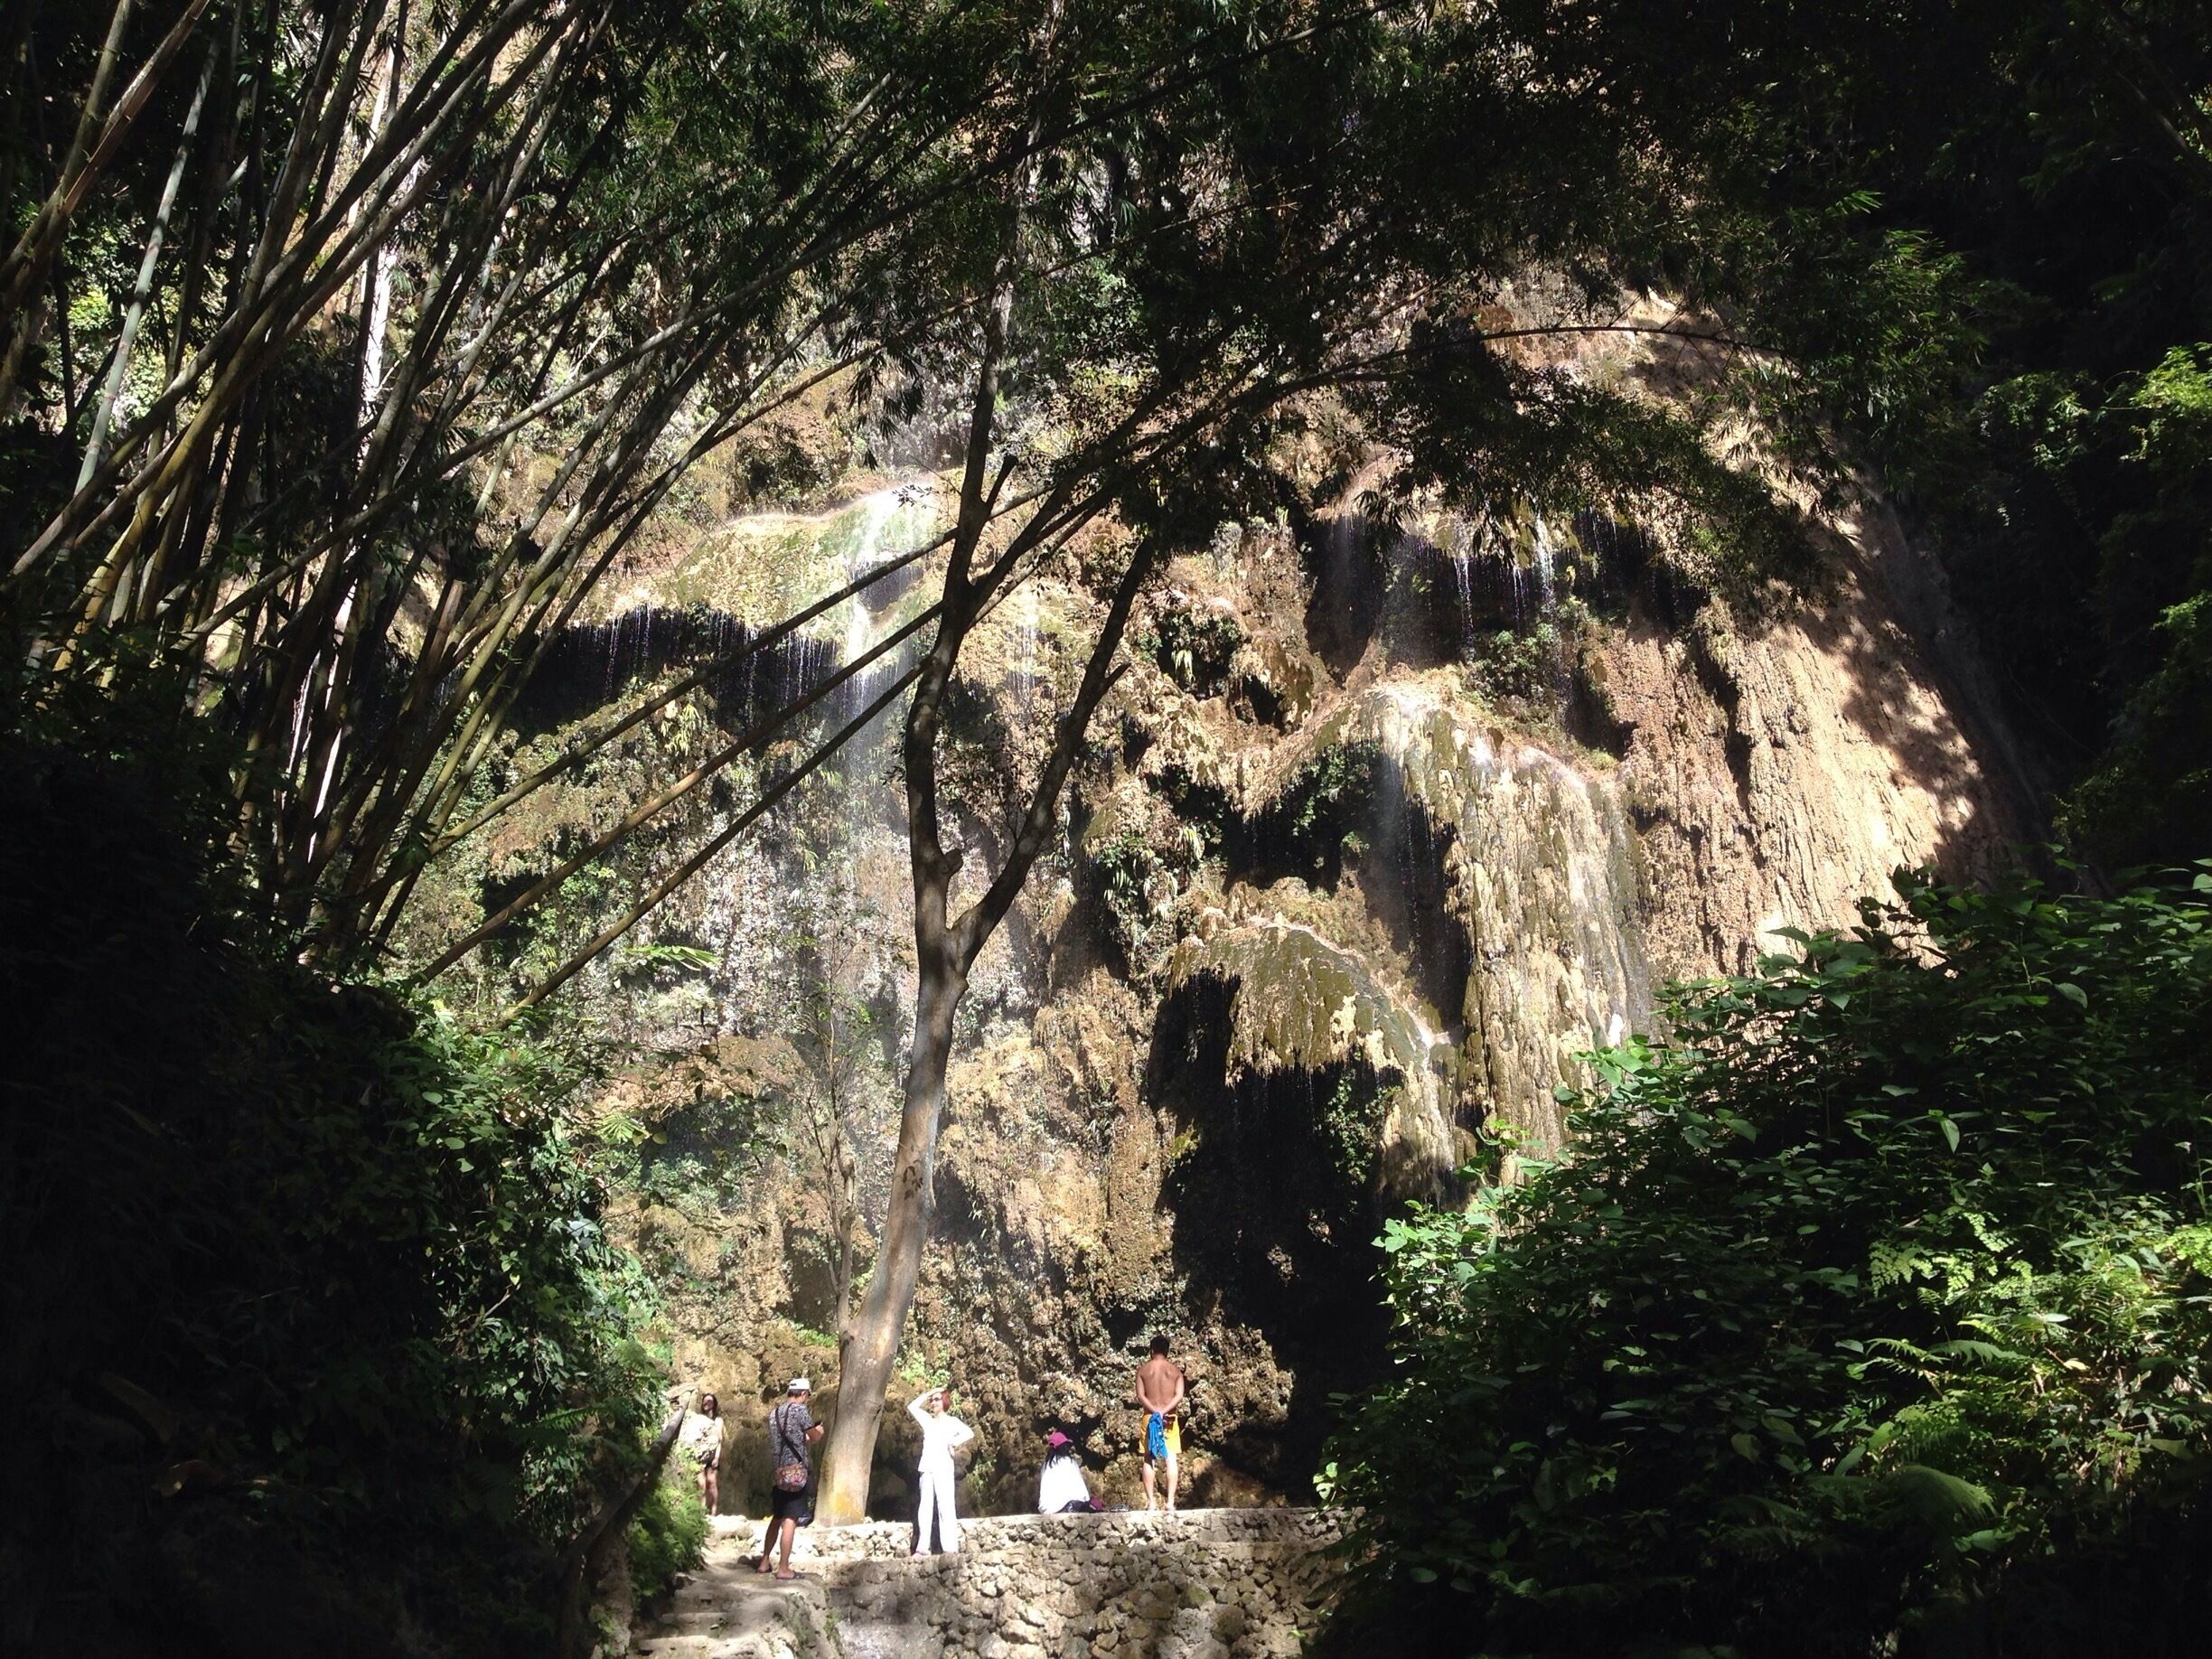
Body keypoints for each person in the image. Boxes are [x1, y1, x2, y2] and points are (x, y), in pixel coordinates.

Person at [757, 1378, 822, 1581]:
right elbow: (814, 1437)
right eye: (807, 1395)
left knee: (777, 1516)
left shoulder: (774, 1414)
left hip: (779, 1473)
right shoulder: (800, 1411)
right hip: (796, 1474)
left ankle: (764, 1561)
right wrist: (818, 1432)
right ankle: (784, 1568)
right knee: (790, 1519)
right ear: (804, 1394)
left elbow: (791, 1439)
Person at [907, 1383, 974, 1555]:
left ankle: (950, 1548)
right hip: (927, 1468)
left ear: (944, 1401)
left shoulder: (952, 1422)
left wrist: (954, 1443)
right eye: (932, 1400)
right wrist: (929, 1392)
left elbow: (969, 1433)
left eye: (937, 1399)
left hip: (943, 1468)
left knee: (946, 1507)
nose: (933, 1402)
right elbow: (912, 1407)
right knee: (925, 1508)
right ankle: (922, 1547)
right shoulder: (927, 1420)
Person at [1133, 1334, 1186, 1513]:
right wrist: (1164, 1411)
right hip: (1169, 1418)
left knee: (1149, 1458)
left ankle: (1151, 1503)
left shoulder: (1142, 1371)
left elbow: (1141, 1396)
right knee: (1171, 1458)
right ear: (1167, 1351)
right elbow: (1179, 1395)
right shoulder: (1176, 1372)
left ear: (1151, 1350)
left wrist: (1155, 1411)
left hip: (1150, 1417)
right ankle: (1170, 1503)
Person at [679, 1390, 724, 1514]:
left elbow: (720, 1440)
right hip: (699, 1454)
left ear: (714, 1404)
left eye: (710, 1401)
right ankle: (701, 1511)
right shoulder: (698, 1418)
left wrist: (717, 1457)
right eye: (705, 1401)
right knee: (701, 1483)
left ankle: (714, 1510)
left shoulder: (718, 1420)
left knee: (712, 1482)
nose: (706, 1403)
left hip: (713, 1454)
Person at [1037, 1429, 1094, 1514]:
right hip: (1068, 1507)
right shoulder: (1070, 1462)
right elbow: (1082, 1493)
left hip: (1047, 1509)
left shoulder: (1045, 1466)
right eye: (1066, 1446)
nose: (1068, 1448)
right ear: (1063, 1447)